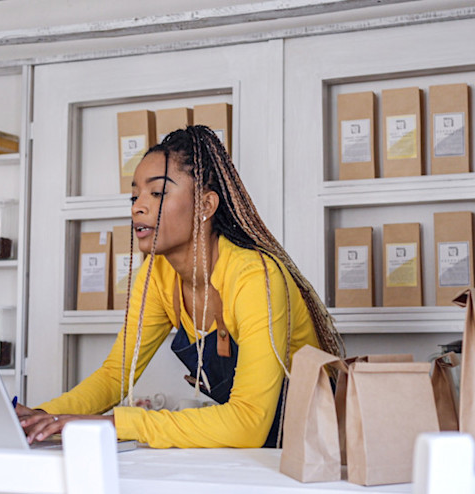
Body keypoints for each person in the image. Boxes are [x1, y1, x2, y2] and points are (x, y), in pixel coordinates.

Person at [18, 125, 344, 448]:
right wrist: (41, 417)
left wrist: (114, 424)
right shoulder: (156, 276)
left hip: (314, 450)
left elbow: (248, 423)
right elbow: (115, 375)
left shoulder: (254, 276)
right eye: (135, 195)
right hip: (253, 454)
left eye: (157, 193)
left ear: (205, 205)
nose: (137, 207)